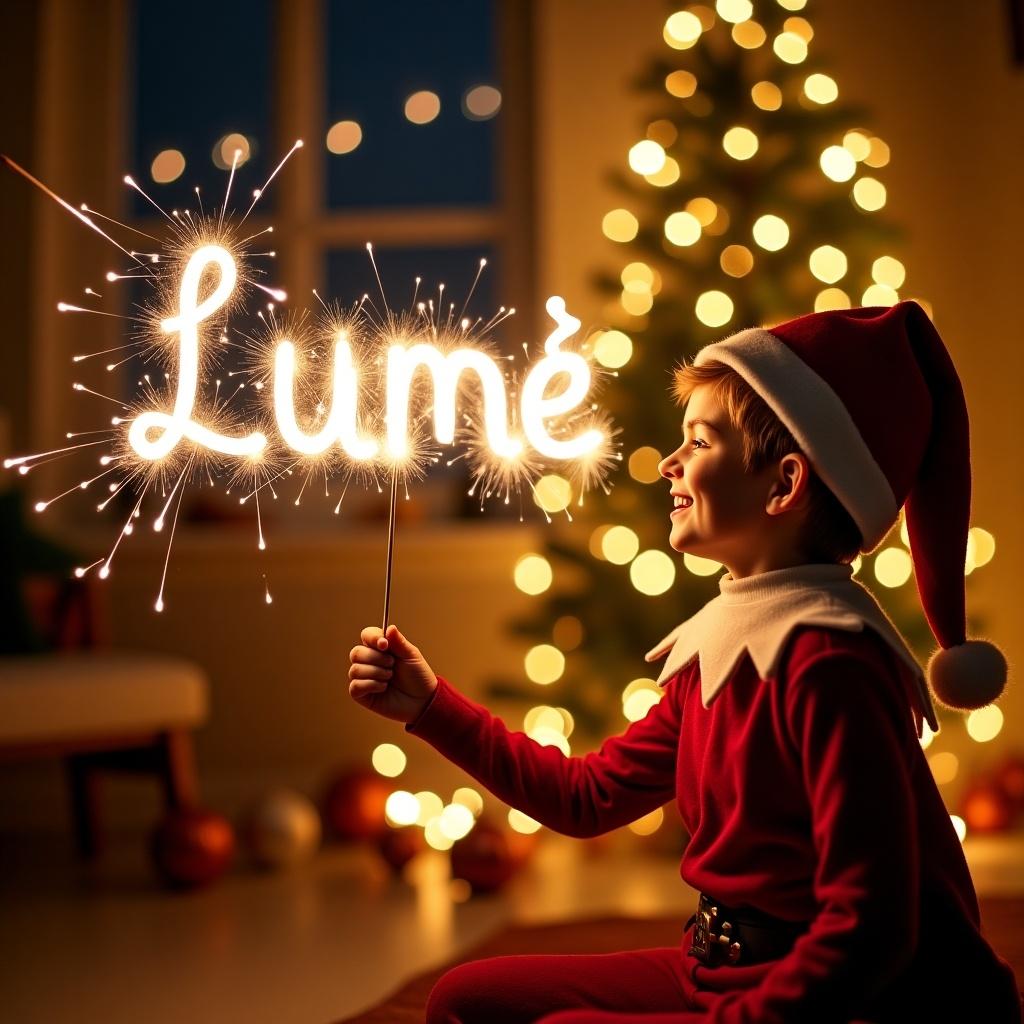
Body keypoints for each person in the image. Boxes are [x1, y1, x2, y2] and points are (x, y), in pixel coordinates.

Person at [348, 301, 1022, 1022]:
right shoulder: (724, 645)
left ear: (784, 484)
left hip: (857, 1002)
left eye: (698, 442)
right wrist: (429, 707)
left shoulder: (832, 665)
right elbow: (586, 798)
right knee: (463, 999)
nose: (669, 463)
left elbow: (872, 932)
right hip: (721, 969)